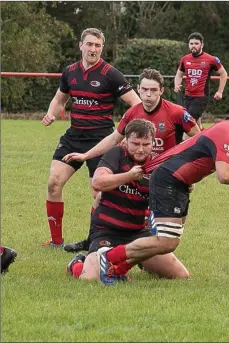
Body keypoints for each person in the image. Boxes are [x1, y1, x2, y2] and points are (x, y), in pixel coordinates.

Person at [91, 93, 229, 285]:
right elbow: (224, 176)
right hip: (169, 180)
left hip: (179, 182)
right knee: (167, 241)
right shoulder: (227, 133)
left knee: (168, 244)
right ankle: (110, 258)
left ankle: (117, 269)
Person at [62, 68, 200, 252]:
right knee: (101, 197)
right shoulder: (132, 113)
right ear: (138, 89)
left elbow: (198, 142)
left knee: (175, 221)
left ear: (161, 91)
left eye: (153, 90)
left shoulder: (176, 113)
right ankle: (93, 239)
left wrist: (188, 173)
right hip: (136, 172)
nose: (148, 94)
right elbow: (114, 139)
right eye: (144, 90)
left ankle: (150, 250)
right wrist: (86, 155)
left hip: (167, 175)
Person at [41, 28, 141, 248]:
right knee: (53, 183)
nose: (93, 49)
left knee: (98, 193)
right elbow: (60, 99)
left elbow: (137, 104)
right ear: (81, 45)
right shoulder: (70, 72)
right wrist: (51, 113)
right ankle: (56, 241)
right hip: (74, 137)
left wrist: (124, 132)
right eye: (89, 44)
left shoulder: (111, 74)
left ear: (102, 48)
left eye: (97, 45)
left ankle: (95, 240)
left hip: (101, 139)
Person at [65, 119, 189, 284]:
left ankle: (138, 261)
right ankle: (77, 263)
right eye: (135, 143)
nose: (140, 149)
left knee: (180, 275)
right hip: (106, 231)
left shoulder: (158, 167)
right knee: (91, 279)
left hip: (138, 233)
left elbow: (175, 215)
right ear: (125, 141)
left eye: (146, 144)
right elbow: (97, 183)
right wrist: (128, 176)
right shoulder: (116, 154)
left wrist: (181, 191)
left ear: (154, 143)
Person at [174, 32, 228, 131]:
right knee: (196, 123)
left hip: (201, 97)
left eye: (196, 43)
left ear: (202, 45)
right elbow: (179, 75)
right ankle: (203, 137)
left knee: (188, 122)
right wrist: (177, 84)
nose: (193, 46)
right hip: (187, 96)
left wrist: (220, 91)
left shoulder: (211, 60)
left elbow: (223, 74)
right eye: (191, 44)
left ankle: (185, 144)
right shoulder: (185, 59)